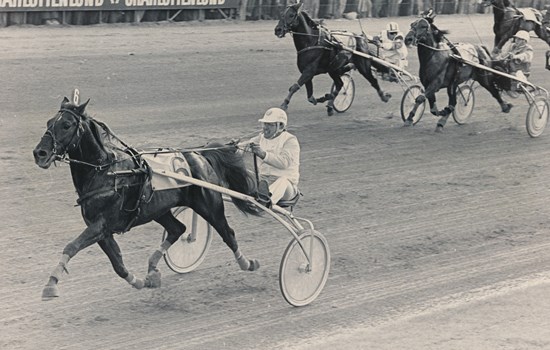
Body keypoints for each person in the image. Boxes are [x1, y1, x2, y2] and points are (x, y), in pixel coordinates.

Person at [246, 107, 300, 207]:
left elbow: (284, 163)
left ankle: (265, 200)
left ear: (280, 126)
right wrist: (234, 147)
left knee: (282, 181)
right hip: (264, 181)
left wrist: (263, 154)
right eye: (265, 124)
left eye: (270, 125)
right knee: (244, 173)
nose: (265, 127)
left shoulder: (290, 140)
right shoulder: (261, 137)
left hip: (287, 189)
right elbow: (246, 145)